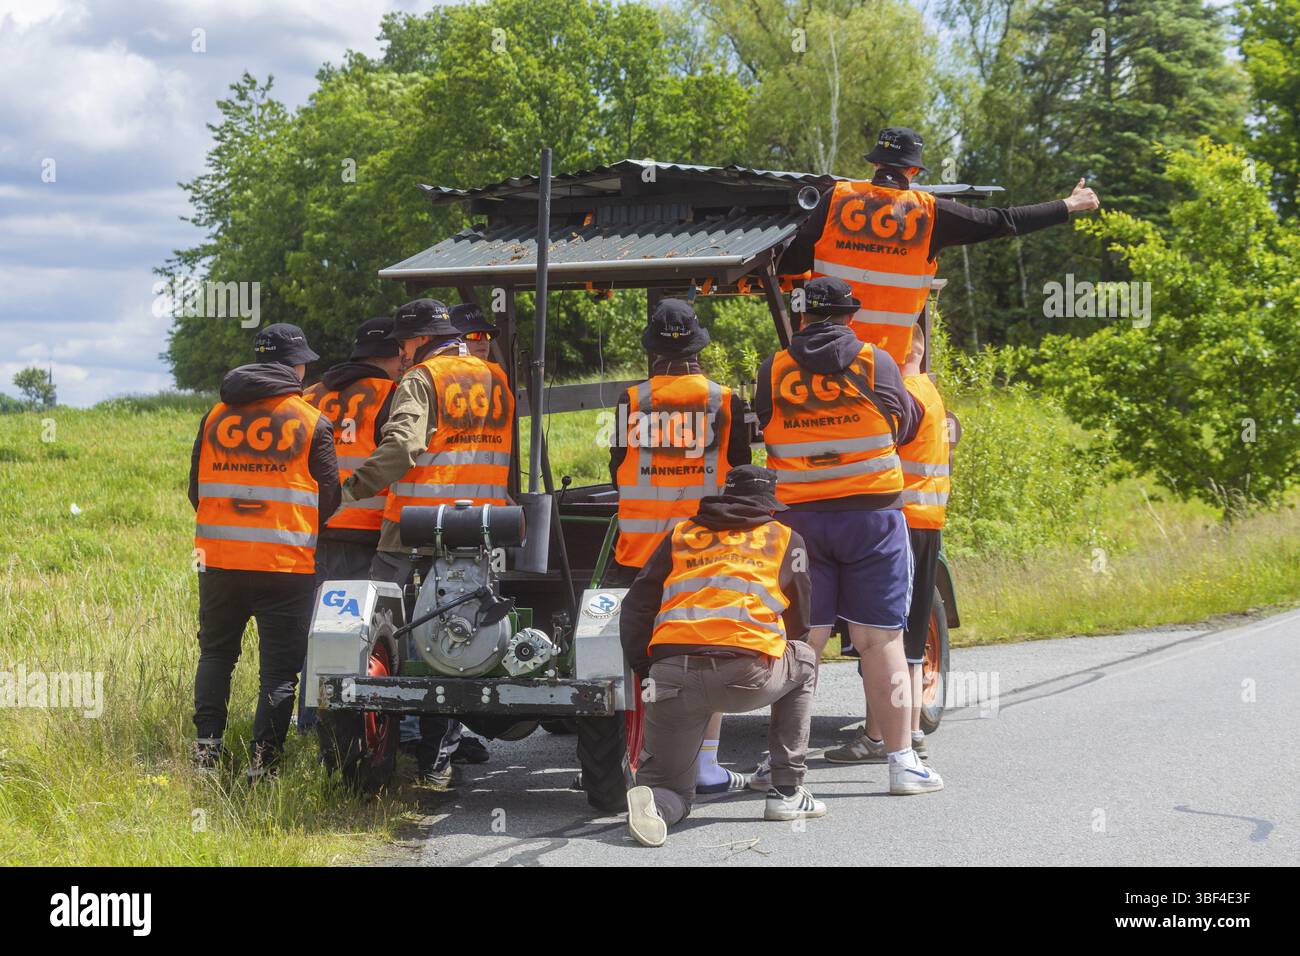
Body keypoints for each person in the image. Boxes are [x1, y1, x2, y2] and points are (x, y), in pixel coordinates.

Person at [753, 276, 943, 795]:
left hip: (799, 522)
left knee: (799, 642)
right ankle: (902, 763)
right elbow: (903, 425)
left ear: (801, 318)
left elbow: (765, 424)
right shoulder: (876, 362)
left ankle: (780, 767)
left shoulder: (772, 369)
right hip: (871, 519)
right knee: (879, 639)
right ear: (849, 316)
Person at [341, 298, 513, 783]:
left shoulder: (422, 378)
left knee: (380, 630)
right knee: (460, 636)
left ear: (418, 341)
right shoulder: (495, 377)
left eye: (404, 344)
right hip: (481, 526)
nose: (402, 353)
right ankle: (438, 755)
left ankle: (383, 740)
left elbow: (404, 447)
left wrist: (352, 488)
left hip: (417, 525)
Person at [619, 466, 820, 847]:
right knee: (805, 659)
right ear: (768, 506)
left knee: (671, 788)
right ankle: (786, 792)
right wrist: (782, 651)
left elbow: (636, 606)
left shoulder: (680, 535)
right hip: (744, 674)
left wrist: (646, 670)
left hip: (669, 676)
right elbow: (800, 619)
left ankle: (657, 805)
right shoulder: (784, 538)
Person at [781, 126, 1100, 364]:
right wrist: (1068, 204)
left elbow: (794, 261)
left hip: (822, 353)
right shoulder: (930, 212)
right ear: (913, 170)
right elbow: (1000, 221)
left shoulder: (837, 198)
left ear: (876, 164)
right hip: (884, 364)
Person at [607, 298, 753, 795]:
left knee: (638, 654)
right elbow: (740, 473)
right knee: (702, 648)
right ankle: (704, 764)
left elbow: (616, 467)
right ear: (698, 348)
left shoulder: (629, 400)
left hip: (639, 550)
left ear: (652, 351)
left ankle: (641, 754)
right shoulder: (724, 399)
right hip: (702, 551)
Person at [189, 323, 340, 780]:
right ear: (296, 367)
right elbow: (329, 496)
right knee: (277, 674)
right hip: (285, 565)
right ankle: (263, 766)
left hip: (218, 562)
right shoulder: (311, 420)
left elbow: (196, 490)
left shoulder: (215, 415)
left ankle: (206, 756)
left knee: (216, 655)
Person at [825, 326, 950, 763]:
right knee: (908, 638)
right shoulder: (928, 391)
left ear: (898, 350)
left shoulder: (908, 396)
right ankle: (908, 731)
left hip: (900, 522)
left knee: (882, 635)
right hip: (924, 521)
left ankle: (879, 736)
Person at [295, 315, 403, 731]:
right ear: (392, 356)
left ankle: (309, 724)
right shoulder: (391, 394)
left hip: (314, 528)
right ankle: (380, 730)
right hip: (368, 531)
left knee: (319, 630)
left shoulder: (311, 395)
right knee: (375, 635)